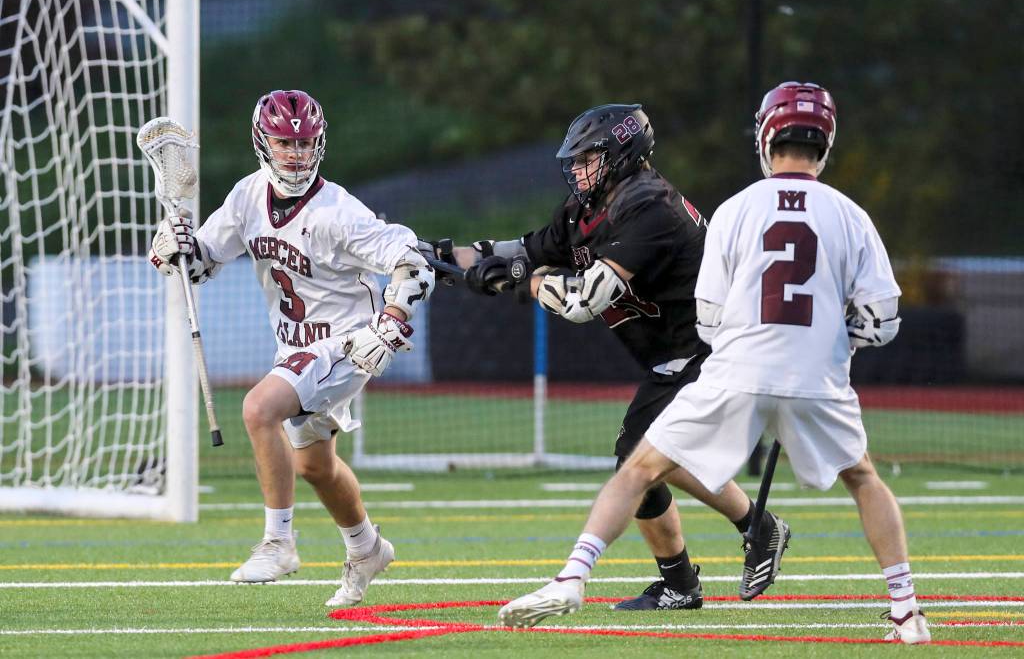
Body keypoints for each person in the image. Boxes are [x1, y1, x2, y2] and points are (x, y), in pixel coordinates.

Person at [497, 83, 930, 645]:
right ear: (826, 143)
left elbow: (708, 317)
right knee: (864, 478)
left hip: (737, 370)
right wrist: (830, 344)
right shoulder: (851, 216)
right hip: (818, 375)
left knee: (638, 466)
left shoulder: (736, 208)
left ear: (765, 136)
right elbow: (881, 322)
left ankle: (571, 579)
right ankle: (906, 611)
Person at [424, 103, 790, 612]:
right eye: (573, 161)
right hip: (674, 359)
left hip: (714, 351)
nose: (576, 170)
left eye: (587, 158)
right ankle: (750, 530)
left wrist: (517, 282)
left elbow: (582, 300)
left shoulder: (651, 208)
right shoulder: (585, 210)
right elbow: (522, 250)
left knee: (638, 459)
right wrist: (444, 260)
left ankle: (688, 578)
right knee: (652, 458)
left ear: (622, 153)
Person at [148, 89, 435, 607]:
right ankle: (366, 547)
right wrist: (174, 247)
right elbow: (202, 264)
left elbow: (414, 261)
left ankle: (279, 542)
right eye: (285, 142)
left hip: (350, 341)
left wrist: (390, 323)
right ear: (264, 142)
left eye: (305, 144)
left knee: (259, 408)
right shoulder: (245, 197)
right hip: (295, 347)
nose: (296, 154)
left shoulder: (338, 212)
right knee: (315, 467)